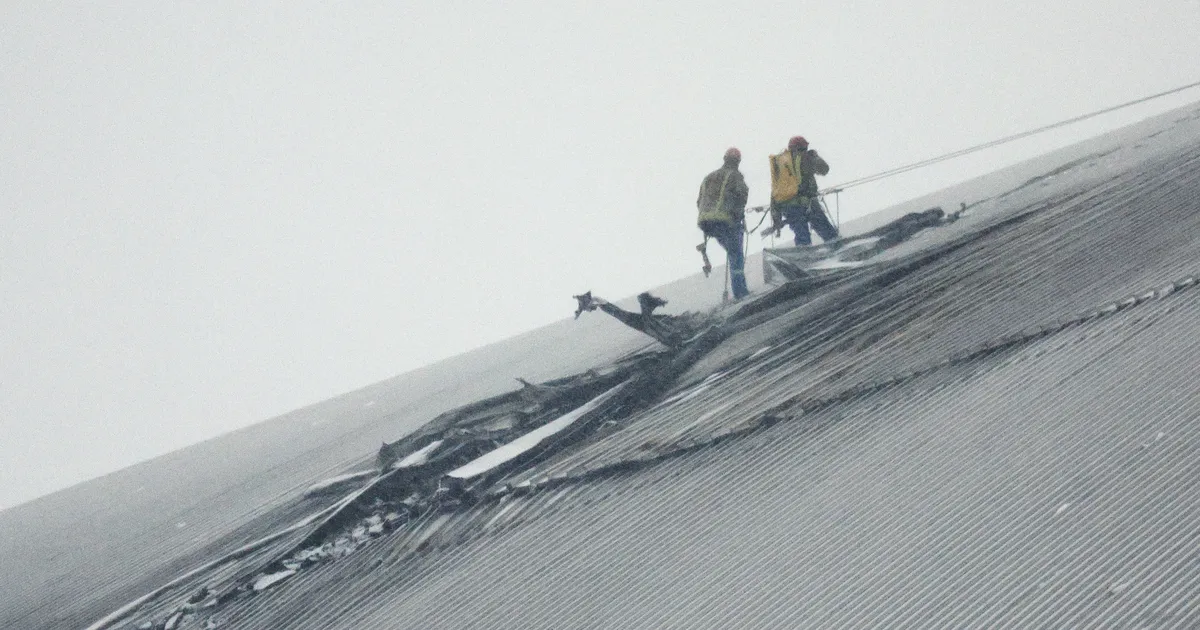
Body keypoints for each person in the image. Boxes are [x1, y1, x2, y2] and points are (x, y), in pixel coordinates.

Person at [697, 147, 750, 300]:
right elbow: (741, 196)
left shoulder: (708, 177)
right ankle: (741, 294)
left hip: (707, 223)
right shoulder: (735, 175)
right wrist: (737, 215)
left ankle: (739, 290)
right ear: (738, 162)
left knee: (732, 252)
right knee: (736, 255)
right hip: (725, 221)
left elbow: (699, 201)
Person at [769, 135, 838, 246]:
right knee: (826, 231)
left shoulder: (780, 163)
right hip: (809, 203)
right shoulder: (806, 157)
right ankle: (837, 248)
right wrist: (815, 156)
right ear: (803, 147)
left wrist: (776, 216)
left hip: (788, 207)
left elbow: (775, 192)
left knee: (802, 236)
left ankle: (804, 257)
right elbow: (824, 170)